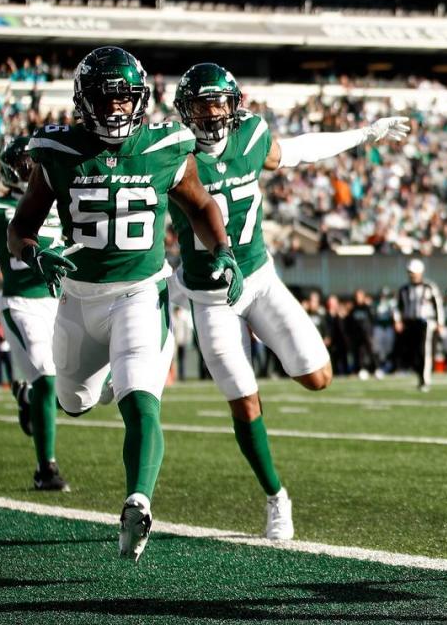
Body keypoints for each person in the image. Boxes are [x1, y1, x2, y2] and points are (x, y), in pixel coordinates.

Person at [8, 46, 240, 562]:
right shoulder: (57, 150)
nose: (116, 109)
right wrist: (34, 254)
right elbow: (20, 227)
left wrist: (224, 251)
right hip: (77, 299)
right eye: (105, 99)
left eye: (124, 98)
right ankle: (89, 384)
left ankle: (138, 499)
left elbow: (201, 204)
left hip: (140, 292)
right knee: (74, 402)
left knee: (142, 399)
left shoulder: (167, 144)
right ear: (84, 101)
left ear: (140, 99)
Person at [169, 62, 409, 538]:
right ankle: (276, 497)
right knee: (243, 399)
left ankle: (263, 337)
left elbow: (297, 152)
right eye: (202, 104)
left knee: (319, 377)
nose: (212, 113)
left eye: (219, 102)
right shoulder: (172, 152)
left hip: (258, 279)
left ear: (234, 105)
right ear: (186, 110)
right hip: (210, 296)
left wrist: (364, 134)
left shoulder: (252, 136)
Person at [0, 137, 70, 491]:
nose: (29, 170)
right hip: (21, 303)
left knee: (76, 391)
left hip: (60, 303)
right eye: (23, 164)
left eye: (32, 164)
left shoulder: (61, 205)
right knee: (47, 377)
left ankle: (28, 398)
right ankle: (45, 469)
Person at [394, 258, 443, 392]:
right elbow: (398, 307)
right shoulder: (404, 290)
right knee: (413, 353)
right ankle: (420, 378)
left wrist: (440, 323)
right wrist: (398, 321)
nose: (412, 276)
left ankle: (426, 380)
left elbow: (438, 306)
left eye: (414, 273)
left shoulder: (429, 287)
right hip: (410, 322)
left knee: (425, 351)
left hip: (426, 322)